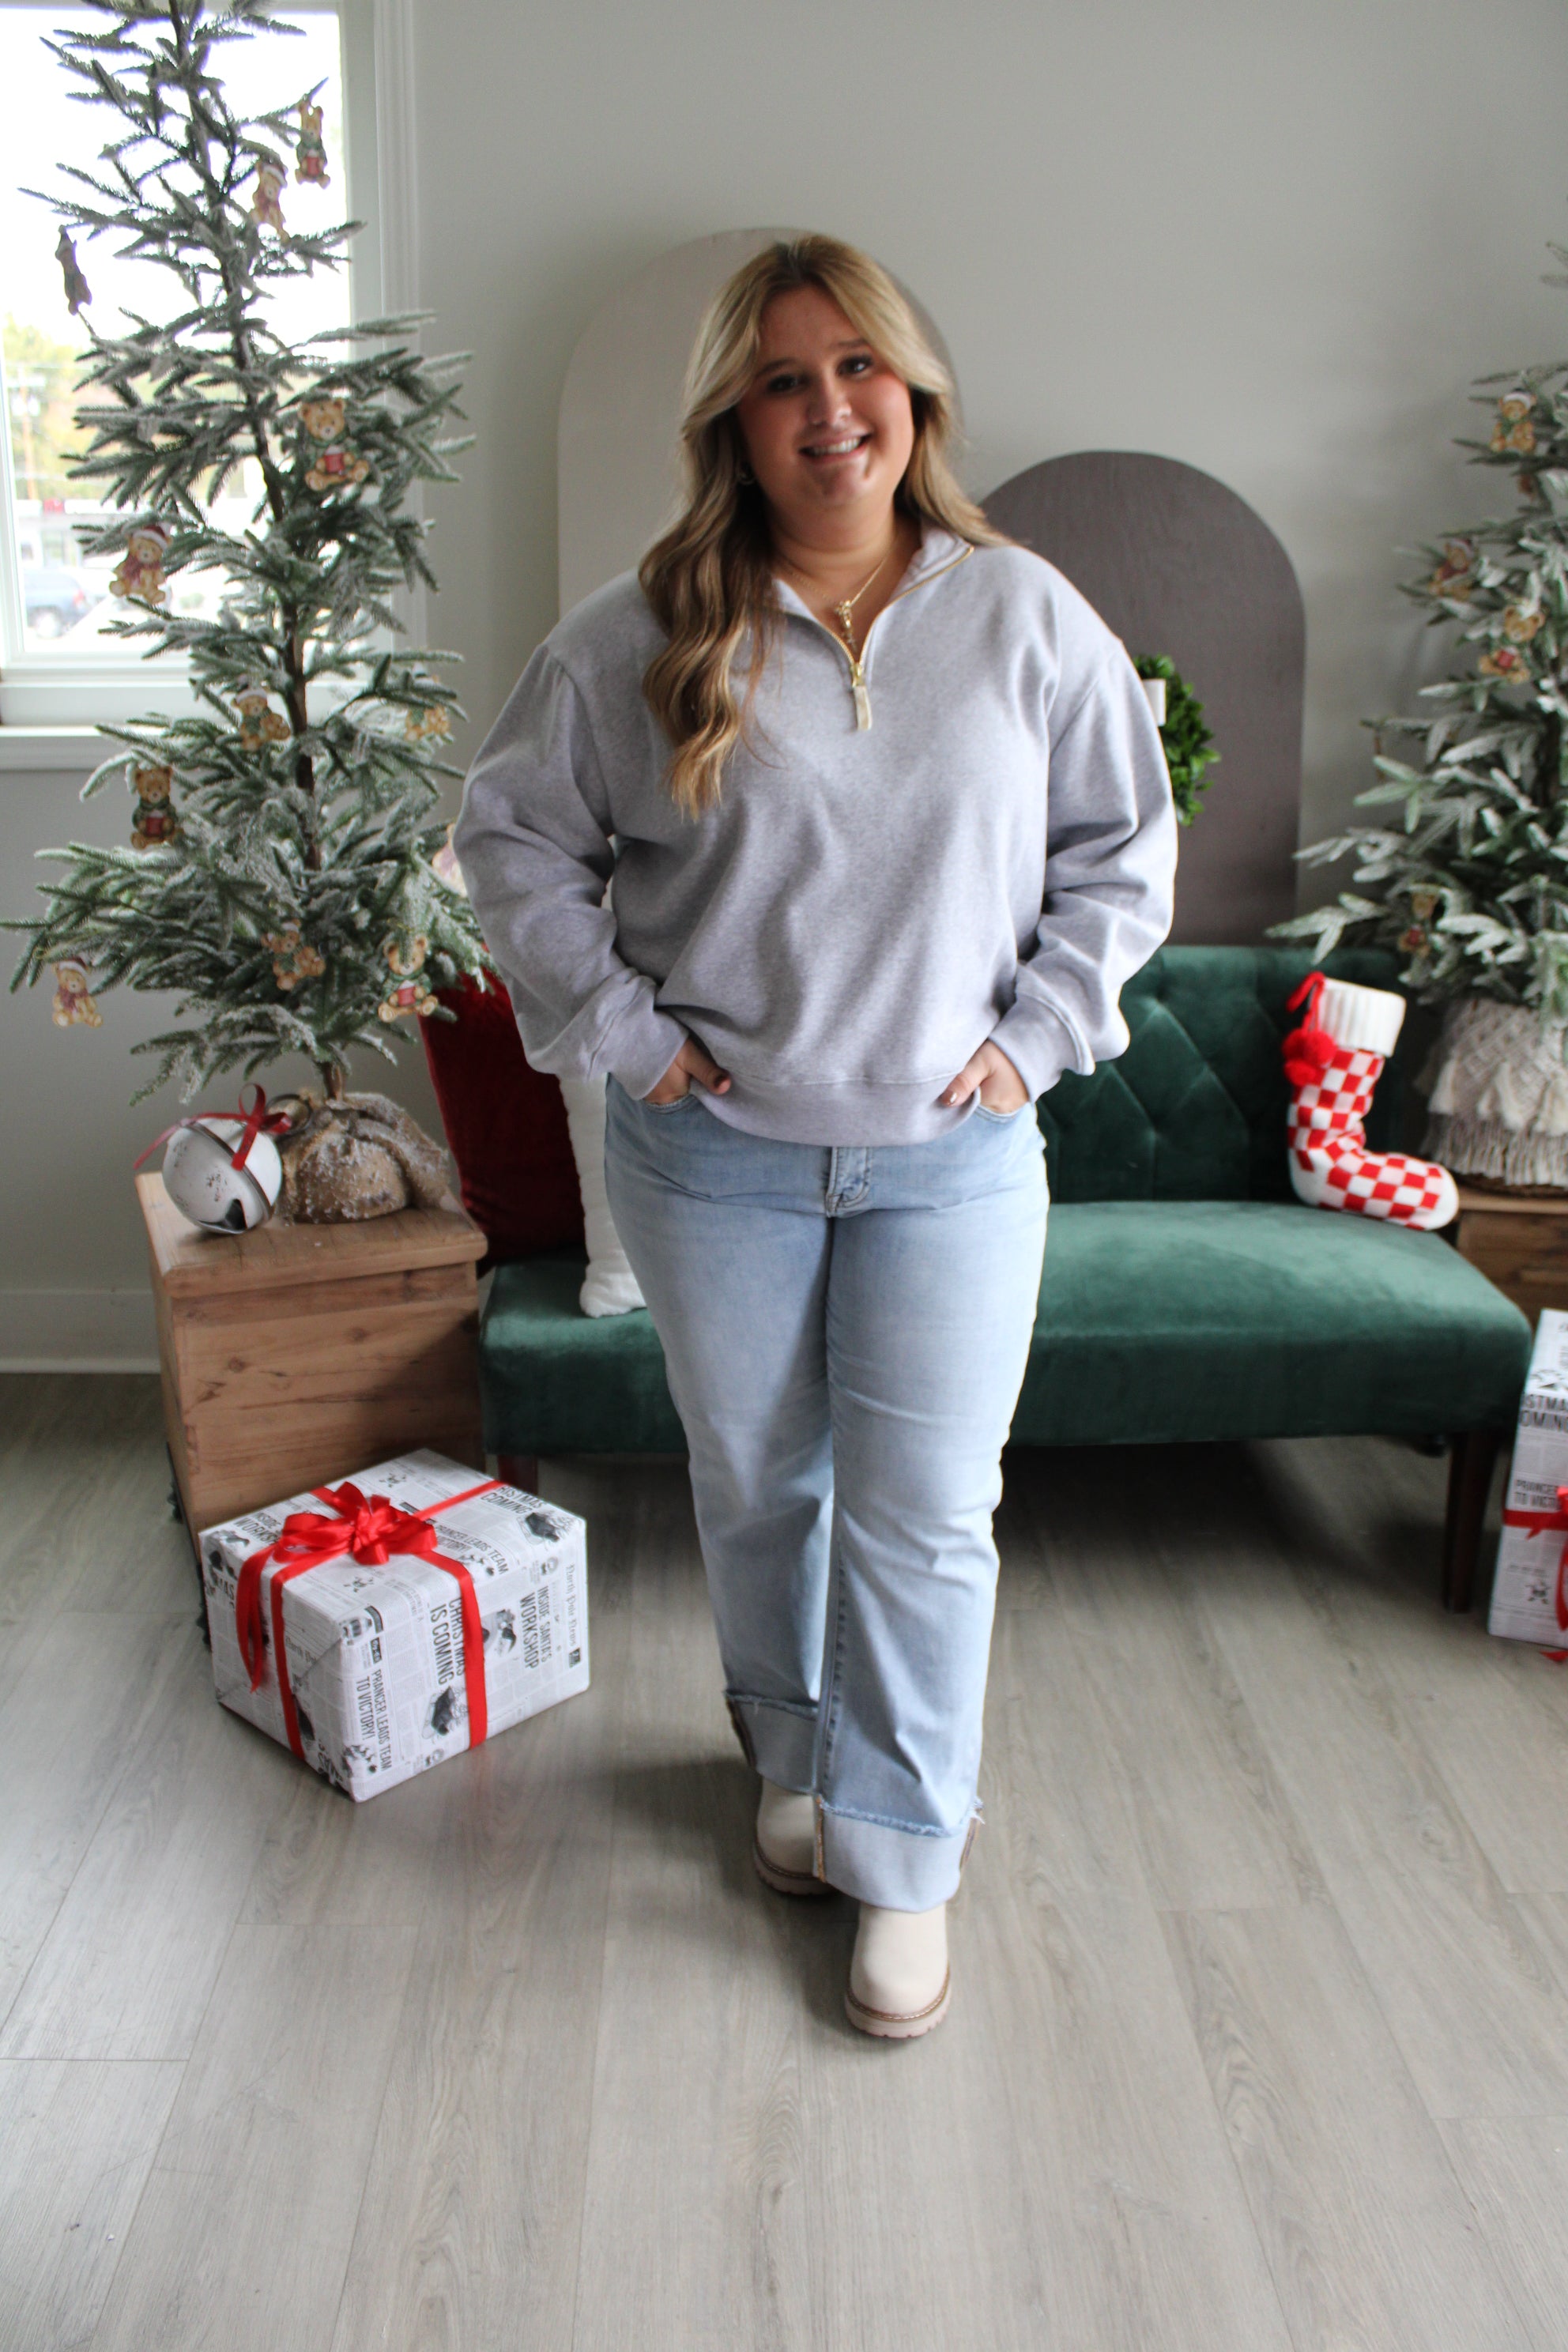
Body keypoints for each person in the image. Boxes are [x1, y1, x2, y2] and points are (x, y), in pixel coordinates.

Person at [455, 234, 1176, 2039]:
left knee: (928, 1516)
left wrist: (1035, 1037)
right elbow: (510, 838)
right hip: (715, 1164)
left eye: (857, 367)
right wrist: (626, 1036)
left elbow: (1122, 845)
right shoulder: (639, 630)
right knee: (761, 1484)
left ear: (913, 393)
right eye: (782, 377)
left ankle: (906, 1852)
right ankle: (790, 1761)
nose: (828, 408)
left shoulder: (1022, 616)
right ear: (734, 415)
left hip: (950, 1161)